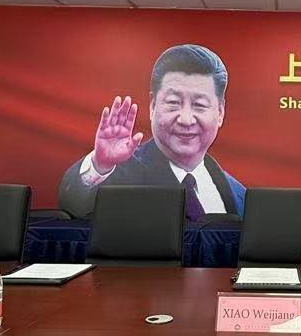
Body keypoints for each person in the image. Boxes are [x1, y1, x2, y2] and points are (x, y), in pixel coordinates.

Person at [58, 44, 245, 219]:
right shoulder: (116, 176)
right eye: (173, 102)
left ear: (220, 112)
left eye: (200, 105)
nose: (186, 119)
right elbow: (74, 208)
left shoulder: (238, 194)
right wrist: (99, 165)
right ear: (153, 106)